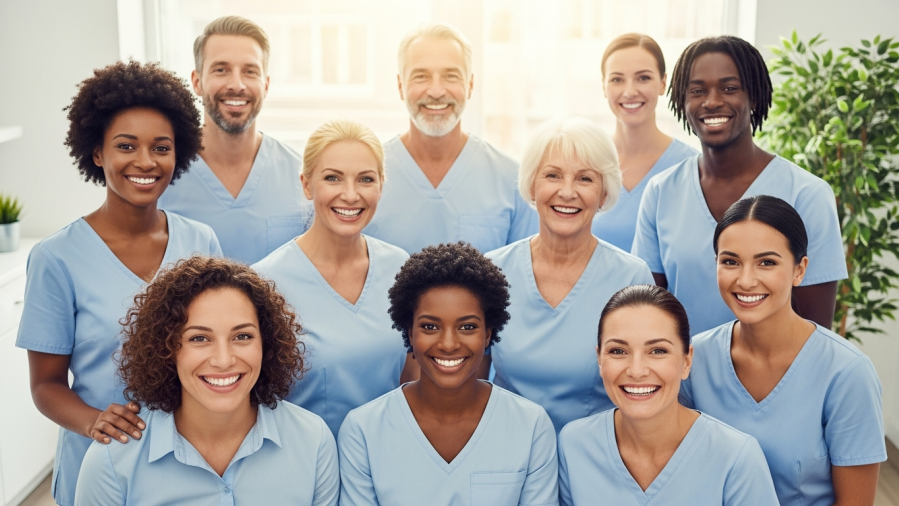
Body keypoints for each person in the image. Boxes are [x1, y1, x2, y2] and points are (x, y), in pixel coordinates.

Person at [16, 61, 221, 506]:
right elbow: (45, 385)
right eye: (126, 146)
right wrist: (93, 421)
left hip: (187, 459)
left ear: (178, 154)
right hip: (99, 463)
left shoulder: (200, 241)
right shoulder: (57, 258)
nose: (145, 161)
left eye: (161, 148)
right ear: (97, 153)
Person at [74, 257, 339, 505]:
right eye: (199, 338)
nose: (223, 360)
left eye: (242, 336)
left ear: (266, 343)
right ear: (165, 348)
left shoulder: (313, 441)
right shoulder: (112, 461)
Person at [632, 35, 846, 334]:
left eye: (729, 88)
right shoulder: (661, 191)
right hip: (683, 364)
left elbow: (815, 331)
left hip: (775, 366)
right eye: (697, 91)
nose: (712, 101)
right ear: (682, 100)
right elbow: (648, 312)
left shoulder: (807, 194)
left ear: (754, 96)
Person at [682, 195, 885, 506]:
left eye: (767, 262)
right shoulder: (695, 359)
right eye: (730, 261)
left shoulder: (847, 373)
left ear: (799, 270)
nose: (746, 280)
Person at [338, 243, 558, 506]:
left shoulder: (531, 425)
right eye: (430, 327)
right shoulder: (363, 430)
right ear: (410, 334)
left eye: (467, 327)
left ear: (487, 335)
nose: (449, 344)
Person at [485, 117, 653, 433]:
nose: (567, 192)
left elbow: (642, 387)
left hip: (598, 451)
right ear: (532, 185)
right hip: (508, 446)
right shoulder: (491, 271)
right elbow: (472, 383)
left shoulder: (631, 277)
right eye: (552, 175)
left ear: (603, 193)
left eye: (585, 179)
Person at [253, 119, 414, 436]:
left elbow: (412, 378)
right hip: (306, 457)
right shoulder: (264, 283)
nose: (351, 195)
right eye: (333, 178)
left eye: (365, 179)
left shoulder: (400, 267)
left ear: (381, 186)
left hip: (389, 451)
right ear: (307, 185)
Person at [558, 284, 779, 505]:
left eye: (658, 351)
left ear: (687, 361)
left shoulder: (736, 458)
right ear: (599, 359)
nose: (637, 371)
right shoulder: (574, 445)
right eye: (618, 351)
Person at [362, 22, 537, 254]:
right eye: (421, 76)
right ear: (400, 86)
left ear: (470, 85)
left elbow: (528, 269)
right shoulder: (362, 179)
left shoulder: (513, 181)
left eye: (451, 76)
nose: (436, 91)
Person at [158, 16, 311, 264]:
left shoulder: (302, 176)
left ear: (266, 84)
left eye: (250, 71)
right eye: (221, 70)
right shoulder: (161, 175)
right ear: (197, 82)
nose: (237, 85)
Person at [591, 33, 698, 250]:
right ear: (603, 86)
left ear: (663, 83)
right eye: (617, 79)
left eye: (643, 78)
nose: (630, 92)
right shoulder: (586, 161)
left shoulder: (692, 168)